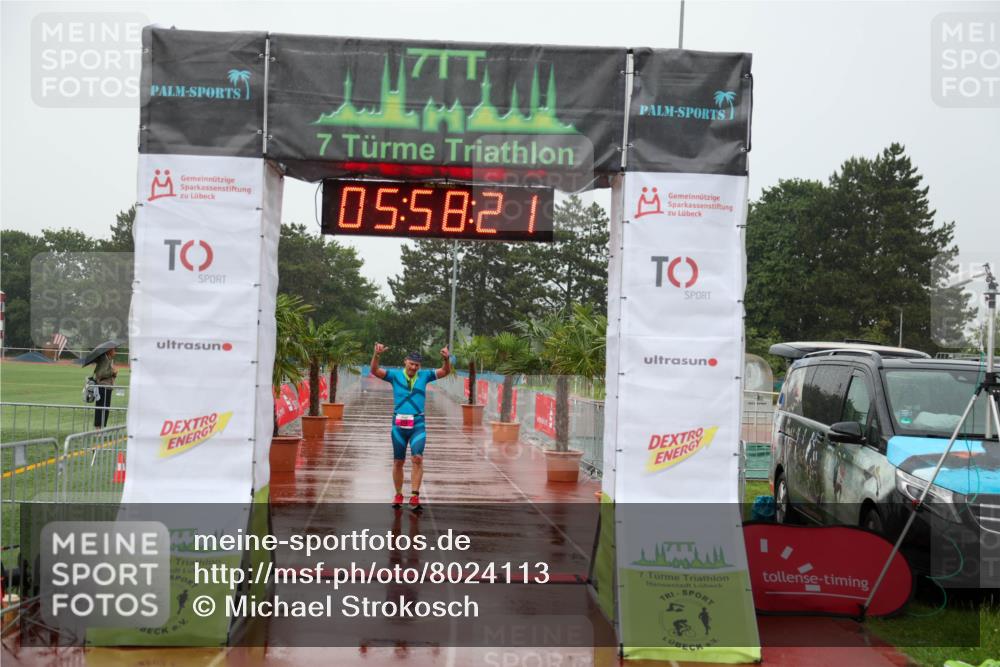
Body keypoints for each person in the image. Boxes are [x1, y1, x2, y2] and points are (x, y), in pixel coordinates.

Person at [370, 343, 450, 510]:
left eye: (417, 365)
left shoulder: (425, 376)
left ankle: (414, 495)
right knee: (398, 461)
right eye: (411, 363)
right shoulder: (394, 376)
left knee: (417, 458)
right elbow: (375, 371)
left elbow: (445, 371)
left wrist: (446, 359)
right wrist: (376, 355)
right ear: (405, 362)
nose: (414, 367)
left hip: (417, 424)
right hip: (398, 425)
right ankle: (398, 494)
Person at [93, 347, 117, 428]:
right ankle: (98, 429)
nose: (115, 352)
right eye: (114, 350)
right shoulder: (104, 360)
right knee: (100, 408)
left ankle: (102, 428)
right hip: (102, 387)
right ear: (109, 351)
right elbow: (101, 374)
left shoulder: (109, 360)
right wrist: (112, 372)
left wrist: (114, 374)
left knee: (105, 409)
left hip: (107, 387)